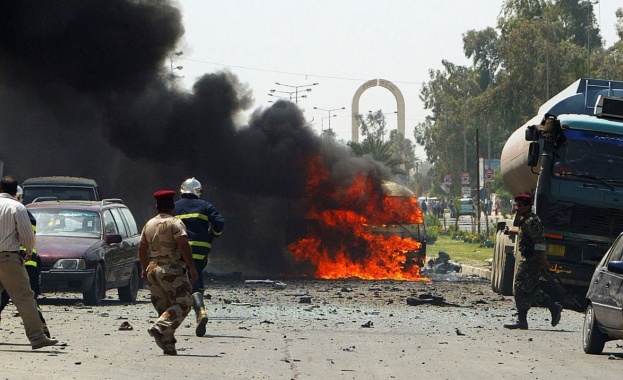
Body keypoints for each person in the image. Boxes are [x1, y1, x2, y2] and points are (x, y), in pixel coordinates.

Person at [0, 176, 58, 349]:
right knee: (25, 299)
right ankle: (37, 337)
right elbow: (27, 236)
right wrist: (27, 251)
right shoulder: (16, 207)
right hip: (8, 259)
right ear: (15, 191)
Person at [139, 190, 199, 355]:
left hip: (153, 269)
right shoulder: (176, 223)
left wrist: (144, 268)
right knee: (184, 302)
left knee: (165, 309)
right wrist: (192, 268)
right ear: (172, 206)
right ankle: (159, 327)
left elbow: (142, 249)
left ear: (157, 206)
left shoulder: (148, 224)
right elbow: (183, 245)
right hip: (171, 269)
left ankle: (169, 346)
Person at [173, 177, 224, 337]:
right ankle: (199, 312)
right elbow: (219, 222)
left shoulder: (175, 207)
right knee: (196, 274)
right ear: (198, 192)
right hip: (202, 250)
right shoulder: (206, 206)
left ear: (182, 190)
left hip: (182, 250)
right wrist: (212, 236)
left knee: (187, 281)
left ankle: (200, 311)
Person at [504, 194, 562, 330]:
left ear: (528, 206)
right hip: (530, 259)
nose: (517, 208)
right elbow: (525, 232)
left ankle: (524, 319)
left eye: (520, 206)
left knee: (519, 288)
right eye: (516, 205)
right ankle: (549, 309)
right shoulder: (527, 220)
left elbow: (540, 242)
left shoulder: (532, 221)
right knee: (531, 289)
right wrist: (511, 231)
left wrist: (543, 261)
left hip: (532, 260)